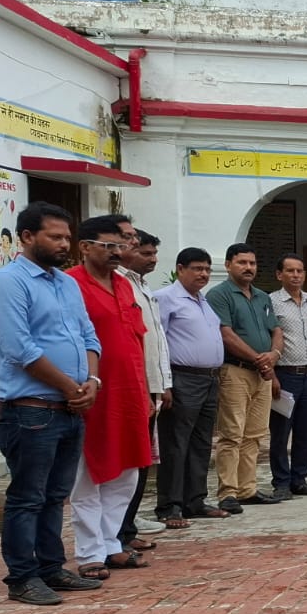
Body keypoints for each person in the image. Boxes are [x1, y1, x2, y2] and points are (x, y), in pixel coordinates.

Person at [0, 201, 102, 605]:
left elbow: (89, 336)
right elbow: (20, 349)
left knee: (55, 496)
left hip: (70, 409)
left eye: (67, 237)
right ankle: (22, 577)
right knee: (27, 498)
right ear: (27, 236)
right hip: (31, 411)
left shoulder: (66, 283)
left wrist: (92, 381)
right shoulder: (7, 282)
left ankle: (51, 568)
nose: (65, 244)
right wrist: (71, 387)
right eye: (55, 237)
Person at [67, 217, 153, 578]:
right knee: (90, 473)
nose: (117, 252)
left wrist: (147, 390)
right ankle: (89, 552)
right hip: (94, 393)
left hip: (131, 392)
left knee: (128, 472)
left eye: (120, 245)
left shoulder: (123, 285)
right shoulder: (71, 284)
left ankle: (111, 543)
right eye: (109, 246)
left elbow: (137, 340)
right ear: (85, 247)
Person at [153, 247, 226, 527]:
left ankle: (195, 500)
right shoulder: (166, 298)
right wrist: (164, 383)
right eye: (197, 268)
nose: (203, 274)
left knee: (201, 442)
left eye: (207, 269)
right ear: (180, 269)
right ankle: (170, 505)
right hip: (182, 378)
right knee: (175, 443)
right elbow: (158, 342)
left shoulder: (202, 300)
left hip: (209, 379)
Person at [206, 243, 280, 512]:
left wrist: (273, 355)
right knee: (232, 434)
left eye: (252, 263)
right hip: (235, 371)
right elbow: (225, 334)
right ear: (228, 265)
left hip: (262, 374)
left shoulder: (262, 297)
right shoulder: (219, 295)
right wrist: (259, 358)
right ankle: (228, 492)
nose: (248, 268)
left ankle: (247, 489)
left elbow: (276, 330)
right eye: (242, 263)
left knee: (254, 434)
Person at [113, 223, 171, 553]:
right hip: (130, 387)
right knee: (127, 462)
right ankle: (117, 532)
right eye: (144, 252)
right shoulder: (118, 283)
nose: (152, 259)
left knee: (142, 460)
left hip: (150, 386)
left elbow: (156, 341)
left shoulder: (141, 285)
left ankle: (127, 526)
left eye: (153, 253)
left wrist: (163, 384)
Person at [268, 254, 307, 500]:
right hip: (285, 374)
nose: (296, 275)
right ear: (279, 274)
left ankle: (299, 479)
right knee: (281, 431)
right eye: (290, 270)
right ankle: (281, 483)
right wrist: (271, 375)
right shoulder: (270, 302)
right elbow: (268, 338)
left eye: (300, 271)